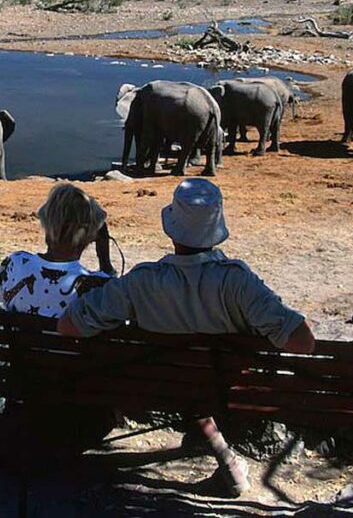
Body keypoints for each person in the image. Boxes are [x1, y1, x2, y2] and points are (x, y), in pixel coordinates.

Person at [56, 178, 315, 497]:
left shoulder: (142, 281)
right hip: (224, 389)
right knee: (197, 383)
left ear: (172, 228)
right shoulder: (237, 283)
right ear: (217, 226)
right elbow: (303, 341)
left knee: (181, 379)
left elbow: (68, 326)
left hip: (159, 387)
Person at [0, 183, 115, 316]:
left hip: (19, 337)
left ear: (46, 223)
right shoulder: (97, 286)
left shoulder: (14, 263)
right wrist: (105, 261)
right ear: (91, 237)